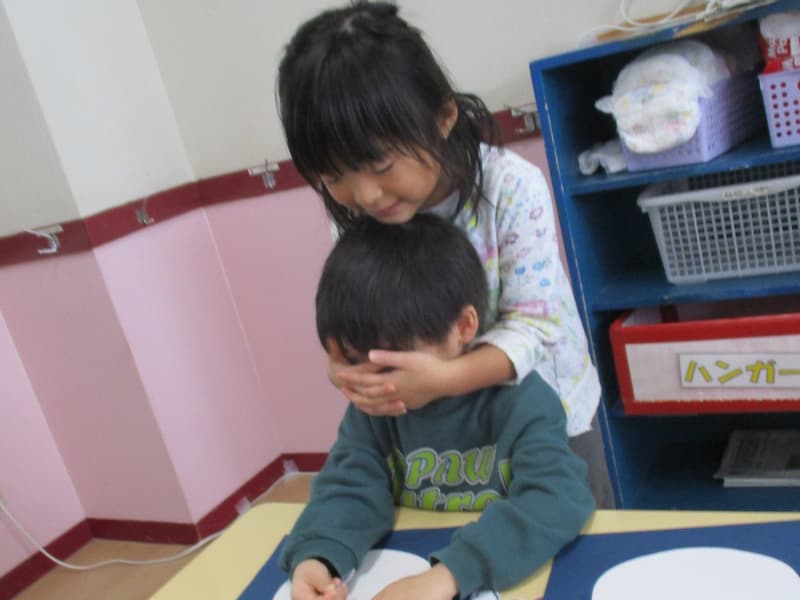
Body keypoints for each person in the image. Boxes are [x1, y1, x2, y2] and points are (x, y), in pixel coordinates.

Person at [277, 1, 613, 508]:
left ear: (443, 117)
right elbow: (363, 312)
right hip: (438, 432)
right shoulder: (354, 213)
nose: (364, 195)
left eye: (380, 165)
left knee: (569, 527)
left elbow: (538, 328)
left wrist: (446, 378)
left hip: (547, 418)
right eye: (333, 175)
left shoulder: (510, 188)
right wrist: (343, 364)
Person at [279, 214, 595, 600]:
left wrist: (449, 576)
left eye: (388, 366)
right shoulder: (375, 409)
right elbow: (348, 489)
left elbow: (556, 499)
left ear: (462, 327)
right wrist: (318, 558)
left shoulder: (523, 402)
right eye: (353, 362)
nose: (371, 384)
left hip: (505, 576)